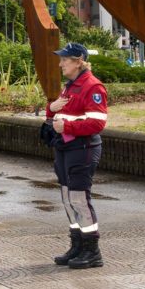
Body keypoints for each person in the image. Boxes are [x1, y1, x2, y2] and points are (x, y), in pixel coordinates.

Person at [46, 42, 107, 269]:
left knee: (79, 198)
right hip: (65, 147)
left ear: (78, 61)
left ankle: (92, 250)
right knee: (67, 196)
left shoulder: (93, 86)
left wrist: (68, 128)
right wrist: (51, 109)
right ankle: (78, 245)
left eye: (65, 59)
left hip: (83, 148)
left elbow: (98, 122)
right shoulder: (70, 86)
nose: (61, 63)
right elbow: (59, 115)